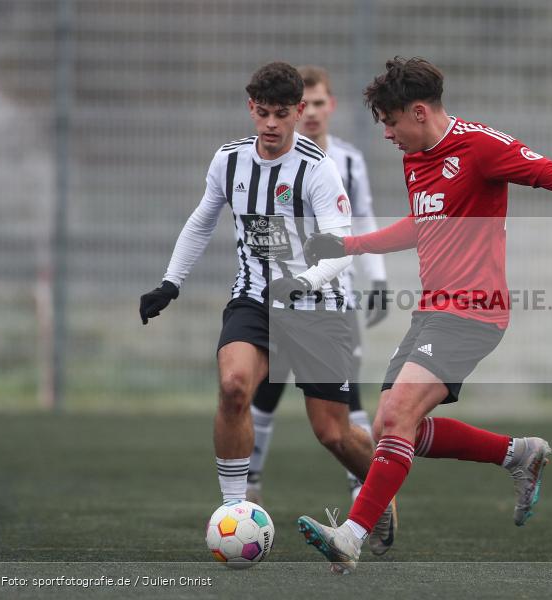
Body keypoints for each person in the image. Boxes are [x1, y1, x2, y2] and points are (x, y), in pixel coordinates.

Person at [293, 56, 552, 573]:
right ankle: (517, 454)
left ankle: (352, 535)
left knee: (401, 413)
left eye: (390, 122)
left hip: (476, 310)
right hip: (432, 309)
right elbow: (422, 224)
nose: (386, 134)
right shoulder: (414, 156)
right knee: (391, 420)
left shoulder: (480, 147)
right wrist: (350, 244)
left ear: (418, 112)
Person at [138, 62, 394, 556]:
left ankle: (381, 494)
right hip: (255, 298)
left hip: (319, 306)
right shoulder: (228, 161)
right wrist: (171, 282)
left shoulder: (318, 168)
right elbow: (200, 221)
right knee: (234, 387)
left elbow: (342, 246)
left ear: (299, 111)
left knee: (333, 433)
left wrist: (302, 282)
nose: (271, 124)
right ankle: (235, 509)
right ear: (250, 109)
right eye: (262, 113)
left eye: (282, 113)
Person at [246, 65, 395, 553]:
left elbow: (366, 216)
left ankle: (365, 492)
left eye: (317, 103)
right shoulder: (268, 161)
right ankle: (247, 488)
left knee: (343, 405)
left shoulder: (346, 161)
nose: (308, 112)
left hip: (334, 299)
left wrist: (375, 279)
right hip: (283, 297)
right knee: (264, 392)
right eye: (301, 104)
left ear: (330, 106)